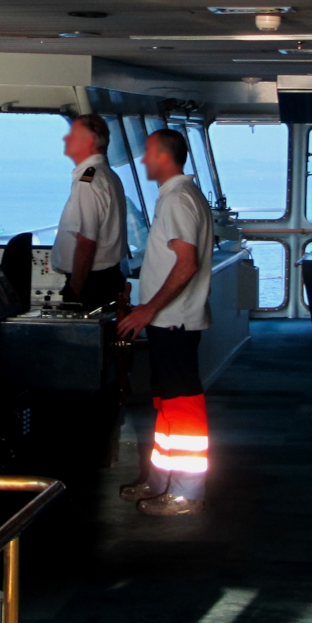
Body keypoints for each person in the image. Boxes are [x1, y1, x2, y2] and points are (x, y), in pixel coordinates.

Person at [116, 128, 214, 517]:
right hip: (168, 320)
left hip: (174, 320)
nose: (143, 161)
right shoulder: (178, 197)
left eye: (148, 154)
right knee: (168, 405)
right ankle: (160, 482)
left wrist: (147, 309)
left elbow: (186, 264)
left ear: (163, 156)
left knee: (183, 406)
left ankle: (187, 492)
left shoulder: (177, 199)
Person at [51, 114, 128, 311]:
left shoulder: (88, 181)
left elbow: (86, 243)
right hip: (106, 279)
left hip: (92, 285)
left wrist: (74, 293)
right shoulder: (106, 174)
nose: (66, 139)